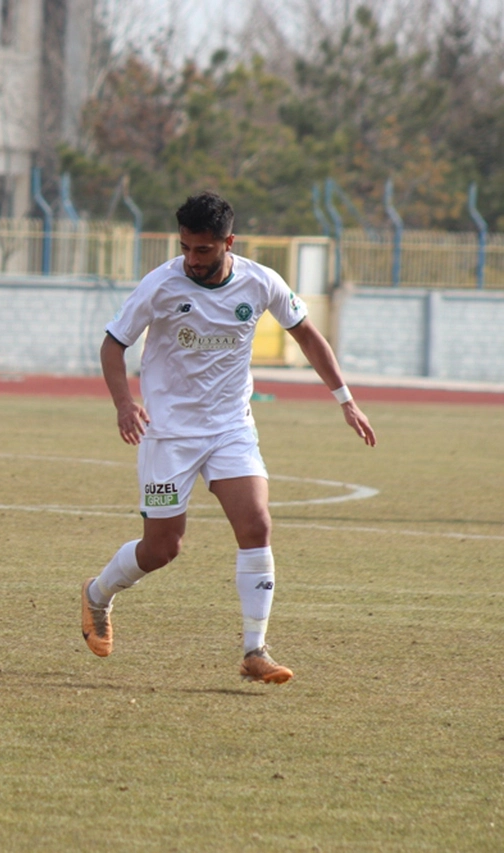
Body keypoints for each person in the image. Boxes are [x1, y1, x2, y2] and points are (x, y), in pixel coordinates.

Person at [82, 191, 377, 684]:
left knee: (257, 524)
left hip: (230, 430)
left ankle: (254, 650)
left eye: (203, 250)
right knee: (162, 549)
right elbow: (113, 345)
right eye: (186, 249)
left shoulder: (261, 283)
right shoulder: (160, 285)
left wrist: (345, 398)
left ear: (228, 243)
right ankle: (97, 594)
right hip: (169, 436)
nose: (192, 260)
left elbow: (307, 335)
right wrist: (123, 403)